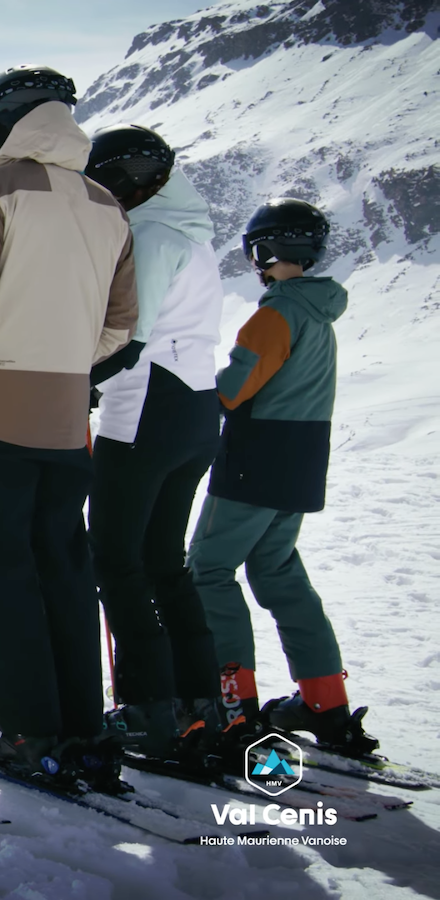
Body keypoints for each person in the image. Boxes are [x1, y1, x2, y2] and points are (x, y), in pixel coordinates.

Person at [0, 65, 138, 785]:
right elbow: (121, 325)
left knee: (8, 572)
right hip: (66, 411)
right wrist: (67, 363)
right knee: (65, 567)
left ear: (5, 122)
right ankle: (84, 725)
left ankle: (25, 730)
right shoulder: (108, 203)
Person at [187, 199, 379, 757]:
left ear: (265, 251)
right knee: (277, 574)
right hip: (300, 464)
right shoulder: (319, 313)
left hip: (256, 462)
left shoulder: (275, 314)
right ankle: (325, 702)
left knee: (209, 571)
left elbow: (232, 389)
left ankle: (232, 704)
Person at [82, 125, 228, 761]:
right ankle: (201, 704)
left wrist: (74, 381)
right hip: (197, 407)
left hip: (146, 410)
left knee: (115, 558)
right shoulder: (193, 234)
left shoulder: (148, 234)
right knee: (165, 561)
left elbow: (127, 339)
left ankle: (148, 711)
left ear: (123, 179)